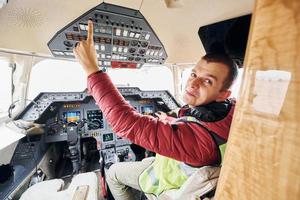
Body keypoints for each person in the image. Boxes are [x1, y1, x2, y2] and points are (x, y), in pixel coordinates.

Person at [73, 20, 238, 200]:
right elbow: (198, 130)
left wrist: (92, 70)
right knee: (144, 160)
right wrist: (172, 121)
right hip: (171, 164)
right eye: (194, 74)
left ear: (223, 94)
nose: (193, 83)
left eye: (208, 81)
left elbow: (126, 123)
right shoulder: (232, 111)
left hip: (165, 182)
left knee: (113, 172)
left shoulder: (199, 143)